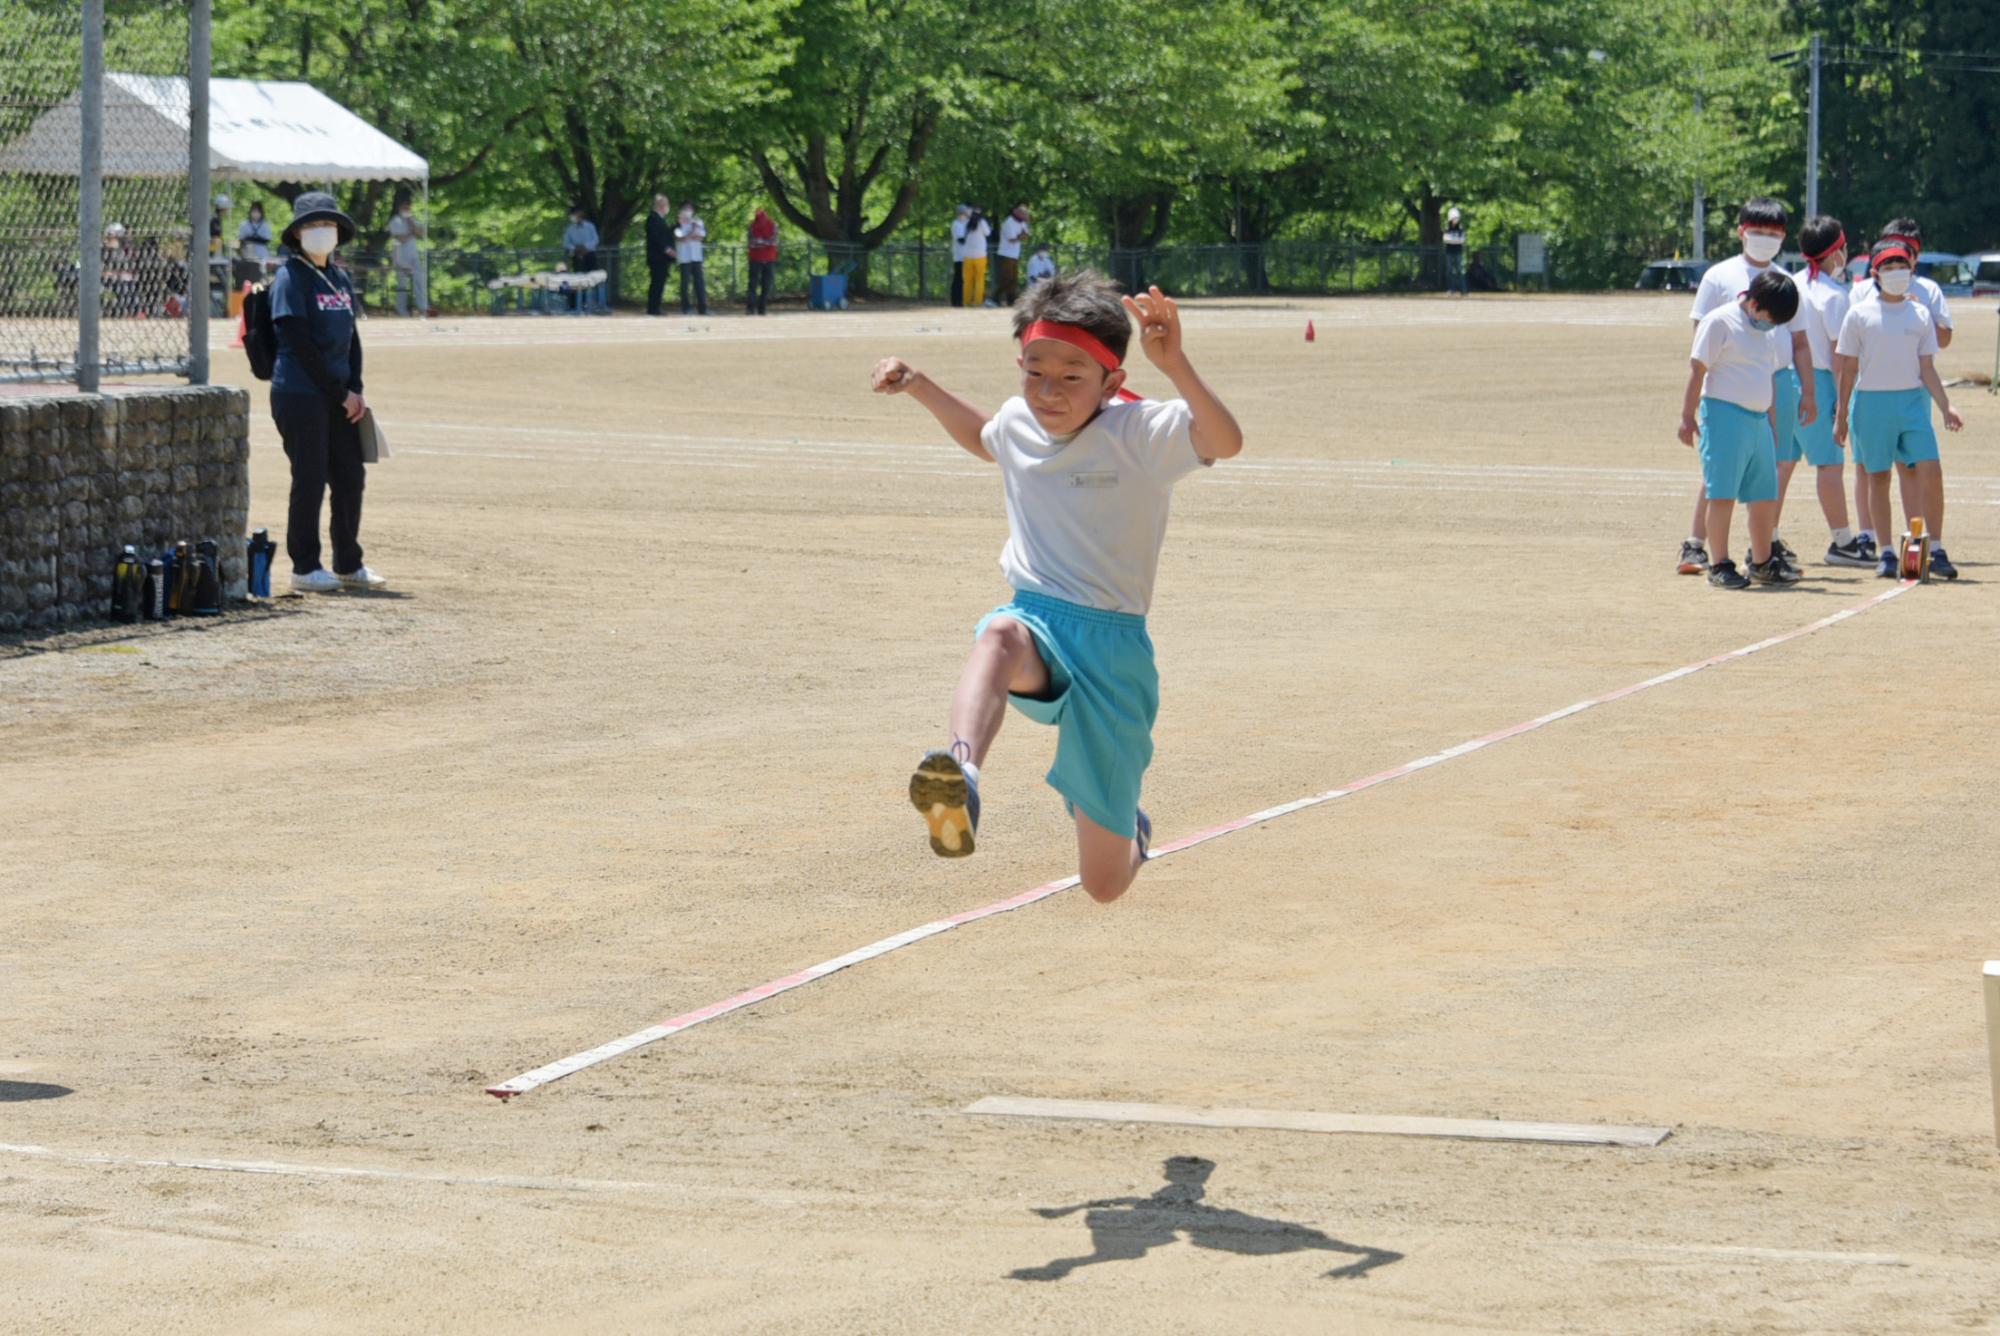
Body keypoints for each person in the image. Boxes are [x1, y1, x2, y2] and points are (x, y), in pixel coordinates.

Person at [869, 270, 1244, 903]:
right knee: (997, 633)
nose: (1048, 392)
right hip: (1037, 622)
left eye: (1071, 377)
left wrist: (1176, 364)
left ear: (1112, 380)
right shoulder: (1019, 419)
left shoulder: (1140, 432)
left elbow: (1225, 442)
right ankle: (959, 776)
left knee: (1103, 886)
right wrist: (919, 386)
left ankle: (1131, 835)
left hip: (1112, 652)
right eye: (1033, 371)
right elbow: (990, 438)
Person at [1677, 198, 1816, 578]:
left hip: (1773, 382)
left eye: (1773, 233)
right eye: (1757, 231)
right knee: (1719, 471)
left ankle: (1764, 549)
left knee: (1770, 470)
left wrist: (1808, 389)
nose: (1765, 239)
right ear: (1741, 231)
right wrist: (1694, 406)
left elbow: (1800, 341)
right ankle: (1698, 544)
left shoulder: (1787, 283)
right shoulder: (1719, 277)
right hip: (1725, 391)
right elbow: (1701, 344)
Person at [267, 191, 385, 593]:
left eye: (328, 224)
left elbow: (351, 338)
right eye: (313, 225)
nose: (322, 231)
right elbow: (298, 342)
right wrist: (339, 392)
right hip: (300, 394)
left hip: (339, 396)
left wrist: (356, 389)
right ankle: (305, 565)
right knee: (310, 477)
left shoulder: (339, 278)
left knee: (350, 477)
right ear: (298, 233)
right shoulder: (290, 277)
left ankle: (349, 562)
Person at [1833, 239, 1963, 580]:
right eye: (1888, 268)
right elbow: (1847, 368)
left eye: (1901, 266)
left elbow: (1928, 368)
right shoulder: (1859, 313)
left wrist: (1947, 406)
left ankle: (1933, 547)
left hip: (1911, 402)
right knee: (1878, 476)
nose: (1895, 273)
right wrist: (1841, 414)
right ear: (1875, 273)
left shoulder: (1919, 314)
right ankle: (1887, 550)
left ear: (1912, 269)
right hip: (1872, 403)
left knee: (1929, 470)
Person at [1791, 216, 1869, 567]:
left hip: (1786, 380)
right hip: (1820, 383)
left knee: (1783, 462)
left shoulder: (1791, 283)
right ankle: (1842, 541)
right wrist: (1843, 404)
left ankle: (1767, 538)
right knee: (1829, 465)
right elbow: (1841, 357)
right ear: (1836, 251)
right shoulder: (1836, 296)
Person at [386, 191, 427, 318]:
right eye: (405, 207)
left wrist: (411, 225)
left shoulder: (413, 219)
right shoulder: (395, 221)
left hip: (413, 254)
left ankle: (422, 307)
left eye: (409, 207)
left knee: (419, 281)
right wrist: (411, 232)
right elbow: (401, 238)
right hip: (400, 256)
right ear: (400, 207)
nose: (407, 209)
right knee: (402, 284)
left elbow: (420, 233)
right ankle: (401, 309)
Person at [674, 203, 708, 315]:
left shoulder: (698, 222)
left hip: (696, 257)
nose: (688, 211)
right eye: (686, 209)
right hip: (684, 258)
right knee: (685, 284)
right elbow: (680, 238)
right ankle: (686, 308)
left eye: (690, 209)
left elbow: (701, 236)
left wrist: (691, 234)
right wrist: (691, 232)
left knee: (700, 283)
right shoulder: (678, 224)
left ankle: (703, 309)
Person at [563, 205, 598, 311]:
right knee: (577, 279)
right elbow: (566, 243)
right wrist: (575, 248)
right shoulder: (570, 229)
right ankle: (579, 302)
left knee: (592, 278)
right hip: (576, 256)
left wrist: (586, 247)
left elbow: (595, 240)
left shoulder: (590, 226)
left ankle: (593, 302)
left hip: (590, 255)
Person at [643, 195, 674, 316]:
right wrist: (667, 250)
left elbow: (666, 234)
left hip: (661, 258)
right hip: (657, 257)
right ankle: (653, 308)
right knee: (656, 282)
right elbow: (657, 238)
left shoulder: (660, 219)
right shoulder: (652, 218)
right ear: (661, 205)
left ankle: (656, 306)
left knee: (660, 282)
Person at [997, 205, 1031, 305]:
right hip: (1006, 253)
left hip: (1015, 253)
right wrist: (1021, 236)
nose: (1025, 216)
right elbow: (1012, 239)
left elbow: (1026, 235)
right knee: (1007, 278)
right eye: (1023, 214)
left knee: (1013, 278)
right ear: (1017, 213)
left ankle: (1011, 300)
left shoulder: (1022, 223)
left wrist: (1020, 236)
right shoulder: (1009, 222)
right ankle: (994, 298)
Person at [746, 208, 778, 315]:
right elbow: (751, 242)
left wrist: (760, 242)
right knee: (753, 285)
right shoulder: (752, 226)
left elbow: (773, 241)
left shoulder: (773, 225)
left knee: (766, 285)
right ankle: (751, 308)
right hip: (756, 259)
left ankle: (762, 308)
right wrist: (764, 242)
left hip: (769, 259)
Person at [961, 207, 993, 308]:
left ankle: (967, 301)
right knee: (979, 279)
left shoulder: (967, 223)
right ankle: (978, 301)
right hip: (980, 255)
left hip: (968, 255)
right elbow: (988, 233)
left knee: (968, 280)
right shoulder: (982, 222)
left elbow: (963, 236)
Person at [1442, 207, 1467, 296]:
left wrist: (1453, 240)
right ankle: (1451, 290)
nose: (1455, 220)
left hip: (1458, 252)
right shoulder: (1447, 229)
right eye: (1454, 218)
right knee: (1449, 271)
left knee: (1460, 271)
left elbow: (1462, 240)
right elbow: (1446, 240)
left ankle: (1463, 290)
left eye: (1457, 218)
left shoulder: (1460, 229)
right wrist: (1455, 240)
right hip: (1449, 252)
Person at [949, 204, 970, 308]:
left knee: (965, 279)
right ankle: (955, 300)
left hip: (967, 255)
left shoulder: (967, 223)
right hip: (959, 256)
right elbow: (960, 239)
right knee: (958, 278)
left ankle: (963, 299)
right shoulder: (956, 224)